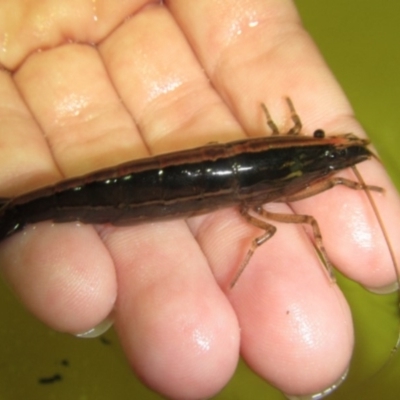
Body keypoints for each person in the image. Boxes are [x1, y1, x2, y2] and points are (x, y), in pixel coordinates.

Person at [0, 1, 399, 399]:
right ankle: (20, 209)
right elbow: (302, 216)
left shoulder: (287, 150)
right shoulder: (300, 179)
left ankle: (22, 208)